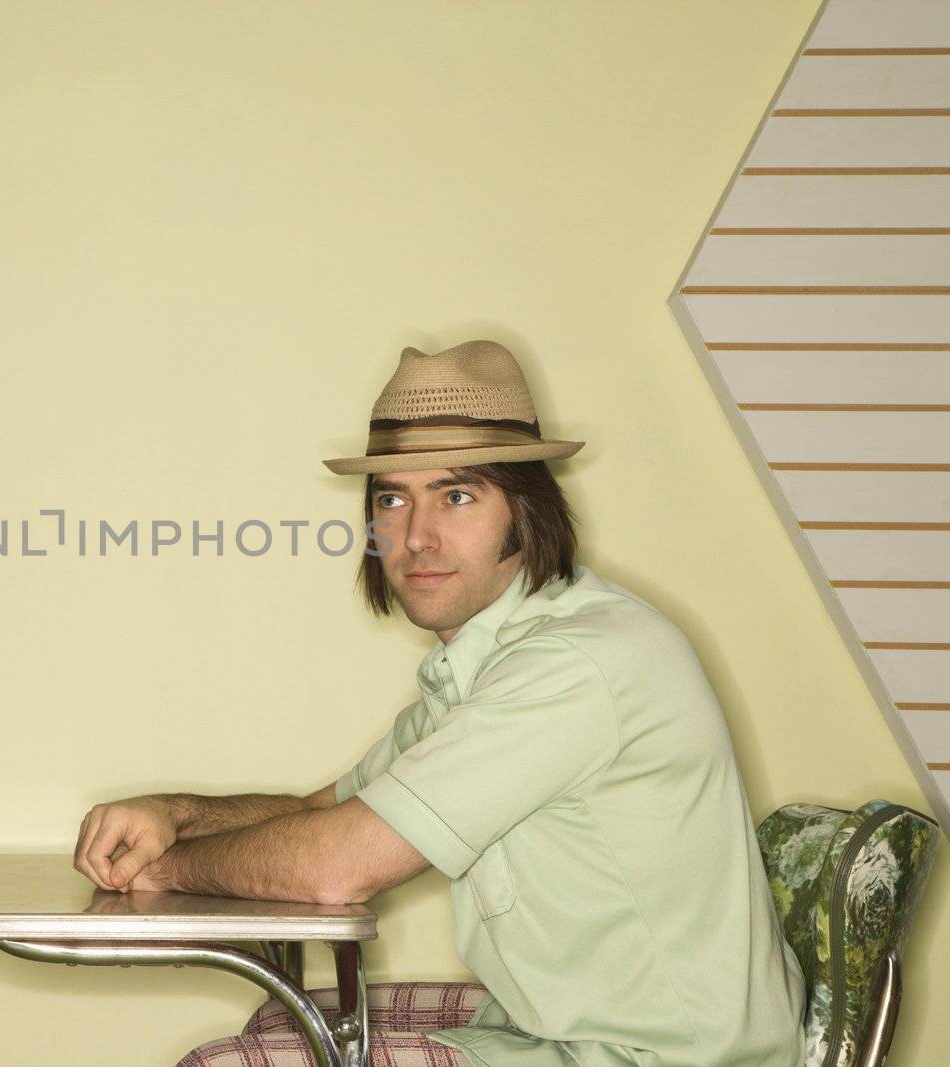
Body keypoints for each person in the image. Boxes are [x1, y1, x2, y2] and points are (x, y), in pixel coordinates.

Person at [72, 341, 805, 1066]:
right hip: (553, 1028)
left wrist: (167, 869)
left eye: (456, 495)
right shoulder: (488, 662)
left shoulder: (577, 663)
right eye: (393, 497)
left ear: (525, 506)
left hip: (661, 1055)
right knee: (277, 1025)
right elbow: (320, 810)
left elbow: (337, 864)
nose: (417, 537)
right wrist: (177, 814)